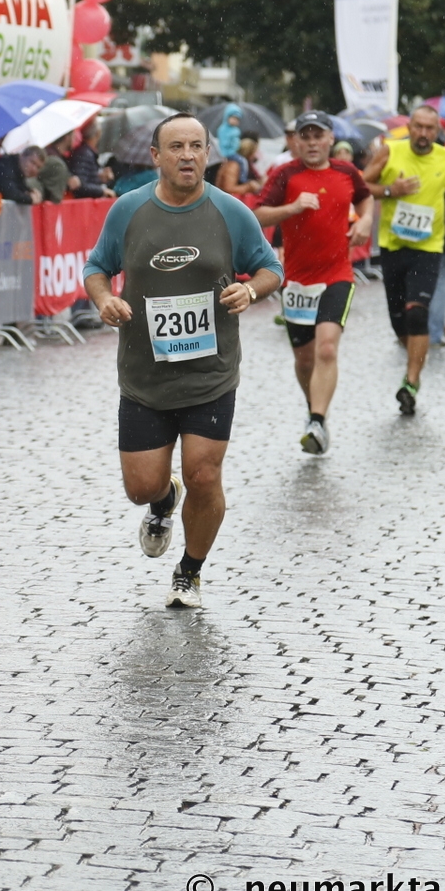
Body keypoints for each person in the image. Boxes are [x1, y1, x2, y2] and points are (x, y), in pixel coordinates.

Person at [82, 113, 282, 609]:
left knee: (204, 475)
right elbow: (97, 267)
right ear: (156, 156)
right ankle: (162, 499)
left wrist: (250, 290)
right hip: (144, 375)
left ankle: (189, 571)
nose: (187, 155)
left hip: (210, 374)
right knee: (141, 487)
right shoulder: (129, 210)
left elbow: (270, 268)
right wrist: (104, 299)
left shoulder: (231, 212)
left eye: (196, 146)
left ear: (208, 153)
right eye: (176, 147)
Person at [255, 111, 372, 455]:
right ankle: (313, 409)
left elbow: (365, 197)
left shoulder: (346, 172)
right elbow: (258, 213)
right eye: (304, 137)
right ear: (296, 141)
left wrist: (365, 220)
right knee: (305, 359)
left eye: (317, 136)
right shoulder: (285, 174)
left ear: (330, 139)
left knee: (327, 348)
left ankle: (318, 421)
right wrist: (292, 208)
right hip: (298, 282)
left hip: (337, 275)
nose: (311, 143)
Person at [362, 104, 445, 415]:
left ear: (437, 131)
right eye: (418, 127)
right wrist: (390, 190)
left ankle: (411, 381)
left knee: (417, 313)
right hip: (393, 247)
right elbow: (361, 186)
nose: (423, 133)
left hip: (429, 247)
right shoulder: (389, 151)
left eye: (429, 128)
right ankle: (414, 357)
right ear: (409, 128)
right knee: (399, 321)